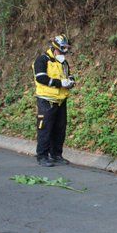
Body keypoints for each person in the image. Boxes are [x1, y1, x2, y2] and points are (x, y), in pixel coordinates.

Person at [32, 34, 75, 167]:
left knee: (60, 129)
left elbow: (68, 76)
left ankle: (56, 155)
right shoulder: (42, 60)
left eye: (67, 48)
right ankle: (42, 156)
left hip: (61, 100)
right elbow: (41, 78)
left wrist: (71, 81)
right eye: (63, 48)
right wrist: (60, 83)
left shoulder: (63, 63)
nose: (65, 52)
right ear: (55, 47)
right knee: (45, 128)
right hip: (46, 100)